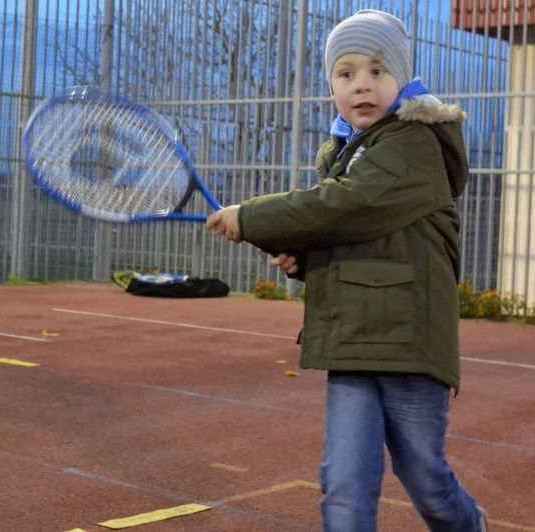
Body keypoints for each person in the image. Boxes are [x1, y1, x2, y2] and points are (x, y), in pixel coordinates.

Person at [205, 10, 488, 532]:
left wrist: (250, 216)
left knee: (425, 479)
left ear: (402, 79)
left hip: (410, 345)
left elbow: (344, 207)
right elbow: (366, 237)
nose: (362, 85)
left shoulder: (413, 143)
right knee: (344, 488)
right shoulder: (346, 154)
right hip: (354, 341)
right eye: (346, 73)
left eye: (378, 71)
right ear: (332, 87)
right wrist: (308, 261)